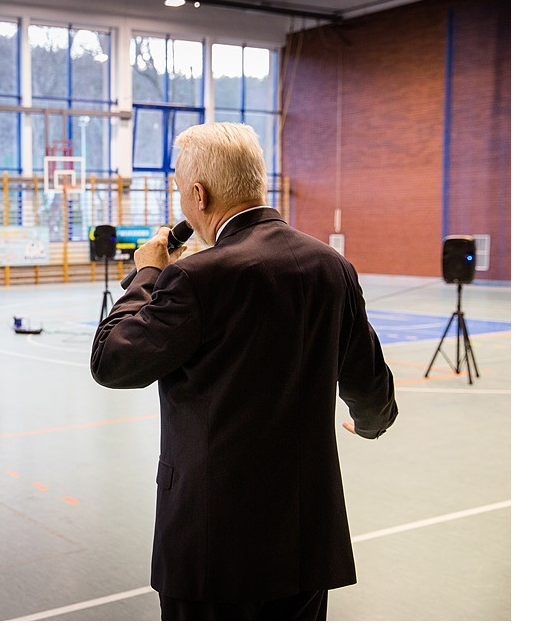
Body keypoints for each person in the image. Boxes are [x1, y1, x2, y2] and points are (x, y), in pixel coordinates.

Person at [90, 122, 399, 621]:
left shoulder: (193, 278)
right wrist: (370, 422)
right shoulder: (331, 265)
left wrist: (148, 274)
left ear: (199, 193)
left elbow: (111, 361)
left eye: (180, 192)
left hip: (213, 541)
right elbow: (370, 382)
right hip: (304, 537)